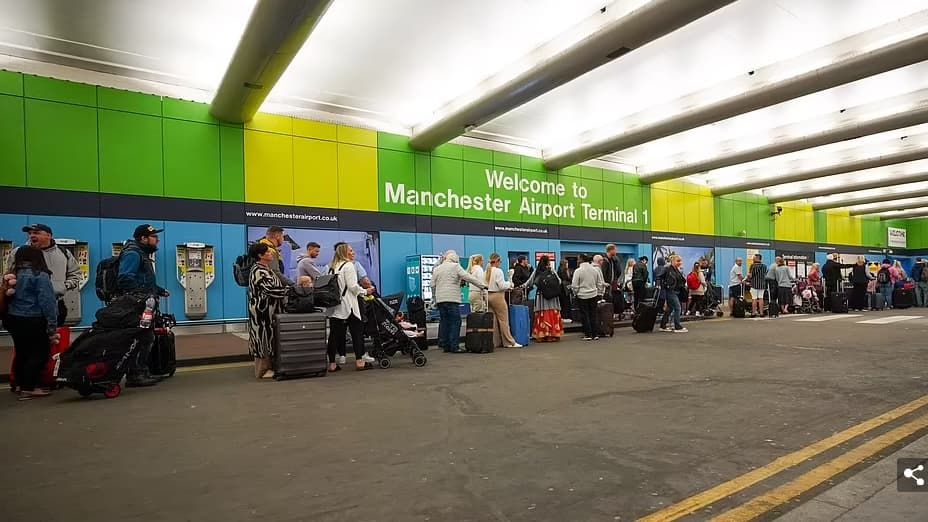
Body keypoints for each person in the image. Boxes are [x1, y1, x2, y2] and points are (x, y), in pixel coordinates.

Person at [3, 246, 59, 400]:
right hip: (33, 319)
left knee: (22, 352)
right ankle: (29, 388)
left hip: (14, 318)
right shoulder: (39, 275)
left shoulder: (13, 275)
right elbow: (47, 302)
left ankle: (20, 384)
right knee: (39, 354)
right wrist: (52, 325)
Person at [117, 224, 170, 387]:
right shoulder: (133, 253)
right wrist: (143, 296)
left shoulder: (141, 253)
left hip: (143, 302)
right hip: (138, 305)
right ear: (143, 238)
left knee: (146, 336)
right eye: (154, 237)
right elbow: (125, 278)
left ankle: (141, 371)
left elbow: (143, 279)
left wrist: (159, 290)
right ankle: (136, 374)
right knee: (142, 337)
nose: (158, 240)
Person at [6, 224, 81, 326]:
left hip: (56, 304)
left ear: (49, 235)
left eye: (36, 233)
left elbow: (75, 274)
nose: (32, 236)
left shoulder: (64, 253)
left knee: (53, 338)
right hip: (26, 307)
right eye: (30, 233)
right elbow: (9, 274)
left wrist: (64, 286)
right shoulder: (19, 252)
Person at [326, 243, 377, 370]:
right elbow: (353, 287)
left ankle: (332, 364)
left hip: (335, 307)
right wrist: (366, 291)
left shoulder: (331, 267)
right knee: (357, 333)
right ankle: (360, 361)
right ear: (345, 253)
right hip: (349, 306)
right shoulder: (348, 266)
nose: (353, 252)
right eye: (350, 250)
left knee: (334, 335)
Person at [246, 242, 290, 379]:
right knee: (263, 339)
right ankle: (262, 371)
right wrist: (289, 290)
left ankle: (268, 367)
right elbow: (272, 290)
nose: (271, 254)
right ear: (260, 255)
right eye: (268, 252)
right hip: (262, 313)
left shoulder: (265, 268)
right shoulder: (259, 271)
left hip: (268, 312)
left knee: (269, 339)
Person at [432, 250, 488, 353]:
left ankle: (446, 346)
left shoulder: (437, 269)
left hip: (440, 300)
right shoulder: (455, 266)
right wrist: (482, 285)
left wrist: (434, 299)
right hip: (452, 299)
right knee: (455, 321)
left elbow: (432, 285)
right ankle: (454, 346)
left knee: (444, 322)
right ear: (455, 259)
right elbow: (468, 277)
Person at [482, 253, 519, 349]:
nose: (500, 263)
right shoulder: (498, 271)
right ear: (497, 261)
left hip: (488, 296)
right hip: (498, 296)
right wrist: (510, 282)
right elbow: (502, 286)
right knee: (503, 320)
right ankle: (509, 342)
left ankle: (495, 342)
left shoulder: (486, 271)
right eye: (500, 261)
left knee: (493, 320)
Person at [523, 256, 563, 342]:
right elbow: (559, 281)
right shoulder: (551, 270)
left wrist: (522, 286)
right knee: (553, 312)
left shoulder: (537, 271)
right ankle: (553, 334)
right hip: (553, 297)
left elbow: (529, 282)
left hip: (542, 297)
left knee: (542, 314)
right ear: (548, 262)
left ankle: (542, 334)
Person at [571, 254, 606, 341]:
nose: (577, 260)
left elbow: (574, 285)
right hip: (593, 295)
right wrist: (598, 292)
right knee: (593, 314)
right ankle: (595, 334)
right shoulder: (595, 270)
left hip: (582, 295)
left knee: (584, 315)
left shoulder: (578, 271)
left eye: (578, 259)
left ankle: (588, 334)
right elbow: (599, 283)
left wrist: (576, 293)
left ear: (581, 260)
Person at [658, 255, 687, 333]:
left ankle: (663, 325)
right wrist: (662, 286)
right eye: (678, 261)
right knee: (677, 308)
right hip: (670, 291)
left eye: (680, 261)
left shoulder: (677, 270)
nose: (680, 263)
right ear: (673, 261)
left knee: (670, 309)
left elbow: (681, 280)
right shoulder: (667, 268)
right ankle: (677, 326)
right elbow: (659, 277)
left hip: (676, 291)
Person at [747, 254, 767, 318]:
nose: (753, 259)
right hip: (762, 284)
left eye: (754, 258)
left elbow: (750, 276)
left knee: (754, 299)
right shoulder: (764, 266)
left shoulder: (752, 266)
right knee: (761, 298)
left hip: (754, 284)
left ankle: (753, 313)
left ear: (757, 258)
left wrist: (748, 277)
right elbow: (765, 275)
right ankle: (761, 313)